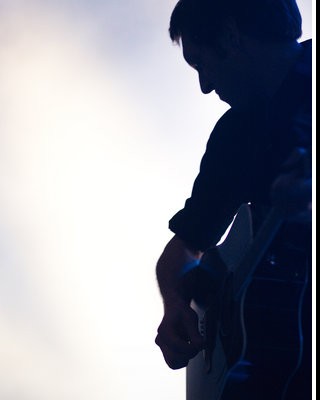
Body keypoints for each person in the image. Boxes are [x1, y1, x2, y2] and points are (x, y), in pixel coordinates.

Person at [154, 0, 312, 398]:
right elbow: (184, 248)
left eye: (201, 63)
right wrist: (175, 304)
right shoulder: (235, 136)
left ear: (230, 36)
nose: (205, 85)